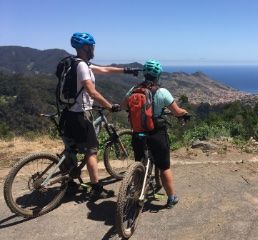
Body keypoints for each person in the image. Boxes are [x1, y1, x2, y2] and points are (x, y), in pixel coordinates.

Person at [61, 32, 138, 200]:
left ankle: (68, 183)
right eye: (92, 46)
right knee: (91, 151)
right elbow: (92, 92)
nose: (94, 49)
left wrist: (127, 70)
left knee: (70, 149)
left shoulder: (75, 63)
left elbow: (105, 69)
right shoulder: (82, 66)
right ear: (86, 48)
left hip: (67, 113)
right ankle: (96, 188)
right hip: (80, 114)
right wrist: (109, 106)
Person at [121, 60, 188, 208]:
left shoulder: (133, 89)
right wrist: (184, 113)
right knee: (164, 167)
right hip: (156, 134)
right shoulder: (162, 92)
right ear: (158, 76)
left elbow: (123, 105)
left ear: (144, 74)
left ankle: (137, 189)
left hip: (138, 133)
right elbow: (177, 112)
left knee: (139, 162)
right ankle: (171, 198)